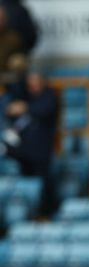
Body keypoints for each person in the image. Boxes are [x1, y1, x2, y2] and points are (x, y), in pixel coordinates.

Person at [3, 71, 58, 216]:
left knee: (43, 184)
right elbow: (10, 108)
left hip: (40, 152)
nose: (33, 86)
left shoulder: (49, 96)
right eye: (30, 83)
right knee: (25, 185)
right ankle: (31, 214)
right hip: (23, 151)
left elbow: (42, 110)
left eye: (36, 83)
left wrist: (24, 107)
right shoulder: (25, 96)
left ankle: (46, 214)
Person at [0, 5, 22, 72]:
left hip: (7, 76)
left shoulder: (13, 38)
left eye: (2, 19)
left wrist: (18, 61)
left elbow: (21, 55)